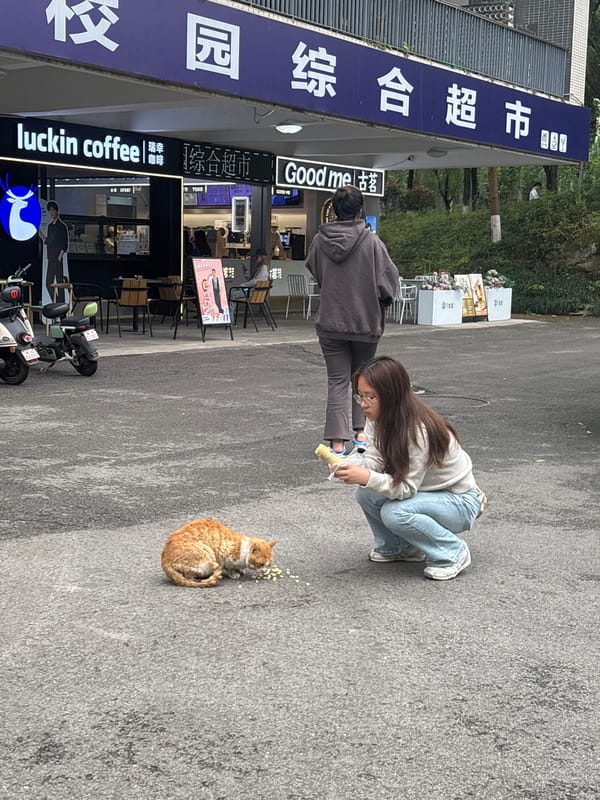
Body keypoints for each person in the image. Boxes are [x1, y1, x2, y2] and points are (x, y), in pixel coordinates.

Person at [332, 356, 487, 581]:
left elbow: (405, 488)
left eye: (371, 397)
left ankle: (452, 552)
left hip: (460, 501)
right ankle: (398, 547)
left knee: (395, 512)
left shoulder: (417, 431)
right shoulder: (377, 418)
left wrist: (365, 476)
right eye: (360, 396)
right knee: (366, 493)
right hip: (429, 493)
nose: (363, 404)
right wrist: (348, 464)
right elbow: (374, 458)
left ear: (391, 396)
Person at [305, 184, 399, 456]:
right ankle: (361, 435)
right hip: (364, 322)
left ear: (334, 210)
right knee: (363, 380)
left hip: (331, 322)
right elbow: (388, 282)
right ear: (360, 210)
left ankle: (336, 442)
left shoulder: (320, 241)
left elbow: (314, 269)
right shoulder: (372, 242)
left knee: (336, 381)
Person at [40, 201, 69, 301]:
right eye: (50, 211)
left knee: (59, 282)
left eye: (53, 210)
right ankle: (56, 302)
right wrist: (41, 236)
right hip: (51, 257)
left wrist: (60, 255)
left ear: (57, 211)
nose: (51, 213)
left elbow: (65, 243)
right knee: (49, 283)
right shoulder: (50, 226)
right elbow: (49, 241)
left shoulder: (62, 226)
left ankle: (61, 306)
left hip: (57, 257)